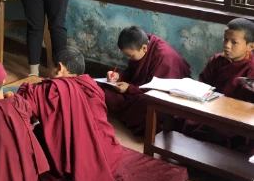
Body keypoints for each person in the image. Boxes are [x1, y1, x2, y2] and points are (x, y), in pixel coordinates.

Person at [16, 47, 129, 181]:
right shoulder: (92, 86)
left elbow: (21, 107)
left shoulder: (50, 89)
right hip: (110, 158)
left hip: (79, 169)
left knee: (36, 134)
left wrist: (27, 87)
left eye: (50, 66)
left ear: (60, 68)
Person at [182, 18, 254, 151]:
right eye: (225, 39)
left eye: (234, 42)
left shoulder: (251, 69)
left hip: (237, 120)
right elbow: (203, 86)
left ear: (250, 46)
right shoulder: (217, 60)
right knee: (184, 121)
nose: (227, 45)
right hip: (211, 111)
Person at [104, 26, 191, 135]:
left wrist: (129, 88)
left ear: (144, 48)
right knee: (105, 89)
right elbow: (132, 72)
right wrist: (118, 75)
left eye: (130, 56)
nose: (128, 59)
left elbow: (159, 90)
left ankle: (129, 116)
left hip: (164, 95)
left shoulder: (164, 58)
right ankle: (126, 114)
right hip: (139, 88)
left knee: (146, 105)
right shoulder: (142, 43)